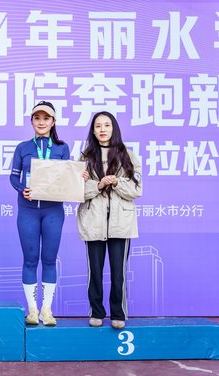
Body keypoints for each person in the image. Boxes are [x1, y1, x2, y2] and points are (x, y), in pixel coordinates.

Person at [10, 101, 79, 326]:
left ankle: (47, 310)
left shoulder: (62, 148)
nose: (41, 122)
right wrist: (22, 188)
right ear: (31, 121)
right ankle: (32, 310)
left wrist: (79, 177)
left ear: (53, 121)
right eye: (37, 118)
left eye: (46, 118)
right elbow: (13, 177)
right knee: (30, 259)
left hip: (53, 210)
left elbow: (67, 177)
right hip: (28, 210)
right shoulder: (22, 147)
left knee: (49, 260)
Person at [77, 111, 142, 329]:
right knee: (94, 271)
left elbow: (136, 189)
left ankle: (118, 313)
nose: (102, 129)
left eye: (107, 125)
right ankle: (96, 312)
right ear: (93, 131)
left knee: (118, 272)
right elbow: (77, 190)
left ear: (114, 128)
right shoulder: (85, 158)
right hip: (93, 220)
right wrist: (99, 184)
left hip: (121, 223)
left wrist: (116, 182)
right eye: (98, 126)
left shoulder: (128, 156)